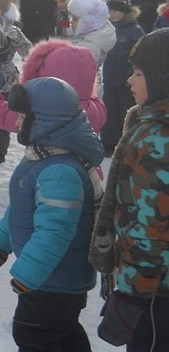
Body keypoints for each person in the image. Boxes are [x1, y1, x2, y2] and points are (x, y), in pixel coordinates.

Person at [0, 77, 103, 352]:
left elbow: (55, 231)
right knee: (62, 333)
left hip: (55, 281)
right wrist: (2, 242)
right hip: (52, 277)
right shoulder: (42, 159)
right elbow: (22, 208)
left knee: (33, 335)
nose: (16, 123)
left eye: (23, 117)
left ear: (45, 121)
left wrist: (27, 274)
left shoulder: (59, 170)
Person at [90, 29, 169, 351]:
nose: (129, 81)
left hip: (154, 290)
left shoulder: (156, 141)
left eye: (138, 73)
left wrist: (132, 294)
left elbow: (152, 228)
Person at [0, 0, 32, 170]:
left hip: (5, 78)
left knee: (2, 114)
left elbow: (28, 50)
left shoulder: (10, 30)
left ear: (2, 9)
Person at [100, 0, 144, 156]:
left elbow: (138, 54)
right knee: (109, 112)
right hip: (110, 79)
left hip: (127, 81)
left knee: (126, 112)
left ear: (126, 11)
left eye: (116, 10)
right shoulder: (108, 28)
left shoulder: (134, 30)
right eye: (110, 10)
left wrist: (130, 75)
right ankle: (108, 144)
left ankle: (128, 143)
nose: (112, 14)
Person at [68, 0, 116, 66]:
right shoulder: (87, 37)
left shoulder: (89, 50)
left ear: (88, 23)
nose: (71, 21)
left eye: (75, 19)